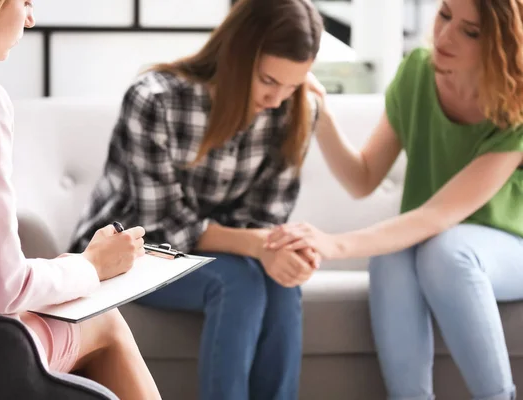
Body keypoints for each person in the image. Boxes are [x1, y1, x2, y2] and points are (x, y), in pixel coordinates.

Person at [265, 0, 523, 399]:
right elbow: (363, 178)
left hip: (508, 246)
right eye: (445, 15)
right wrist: (323, 116)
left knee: (445, 251)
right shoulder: (418, 72)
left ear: (501, 45)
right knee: (392, 255)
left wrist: (333, 243)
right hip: (436, 242)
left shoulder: (517, 108)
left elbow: (439, 216)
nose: (445, 35)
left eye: (470, 31)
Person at [69, 0, 324, 398]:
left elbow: (265, 217)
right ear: (237, 55)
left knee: (281, 282)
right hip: (131, 251)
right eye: (269, 81)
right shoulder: (155, 99)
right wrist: (257, 244)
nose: (278, 99)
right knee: (238, 280)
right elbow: (164, 223)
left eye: (293, 85)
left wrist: (285, 250)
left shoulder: (298, 108)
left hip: (223, 252)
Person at [0, 1, 161, 399]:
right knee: (104, 322)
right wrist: (89, 266)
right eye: (27, 2)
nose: (31, 18)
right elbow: (3, 288)